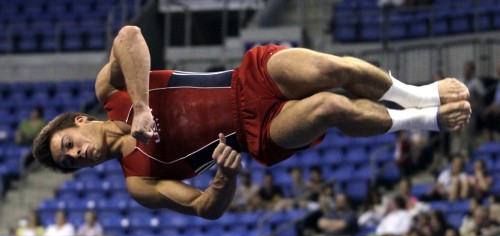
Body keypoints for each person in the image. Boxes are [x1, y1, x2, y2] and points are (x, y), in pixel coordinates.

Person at [32, 26, 471, 219]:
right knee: (329, 108)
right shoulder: (137, 181)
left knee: (336, 70)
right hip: (257, 132)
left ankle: (420, 95)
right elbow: (204, 208)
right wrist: (223, 177)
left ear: (80, 120)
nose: (78, 154)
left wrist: (142, 105)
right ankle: (423, 121)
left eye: (69, 144)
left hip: (249, 75)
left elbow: (129, 36)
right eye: (70, 162)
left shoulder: (111, 93)